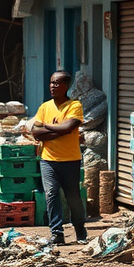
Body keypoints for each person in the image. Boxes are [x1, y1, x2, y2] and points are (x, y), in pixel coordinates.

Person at [29, 70, 88, 245]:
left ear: (66, 86)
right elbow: (35, 132)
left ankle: (80, 231)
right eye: (51, 82)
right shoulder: (44, 107)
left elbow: (68, 127)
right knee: (51, 194)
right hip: (48, 160)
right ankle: (57, 233)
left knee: (73, 196)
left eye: (57, 83)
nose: (53, 86)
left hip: (70, 160)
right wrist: (59, 130)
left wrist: (47, 127)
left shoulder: (74, 106)